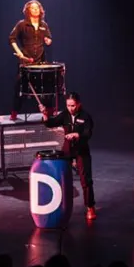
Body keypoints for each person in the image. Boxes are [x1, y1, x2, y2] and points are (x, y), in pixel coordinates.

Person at [39, 92, 96, 220]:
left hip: (81, 149)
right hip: (68, 149)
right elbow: (50, 123)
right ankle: (60, 205)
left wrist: (77, 135)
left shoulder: (85, 116)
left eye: (73, 106)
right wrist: (45, 114)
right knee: (62, 178)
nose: (71, 108)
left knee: (86, 180)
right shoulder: (65, 114)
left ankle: (90, 206)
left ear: (79, 104)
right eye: (68, 105)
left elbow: (88, 133)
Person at [9, 0, 52, 120]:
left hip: (40, 62)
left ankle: (49, 113)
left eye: (37, 7)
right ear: (28, 10)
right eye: (33, 8)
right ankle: (14, 112)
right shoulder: (22, 24)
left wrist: (48, 41)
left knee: (45, 87)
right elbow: (11, 38)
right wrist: (19, 53)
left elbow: (49, 38)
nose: (35, 9)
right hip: (26, 61)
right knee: (20, 88)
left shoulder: (44, 25)